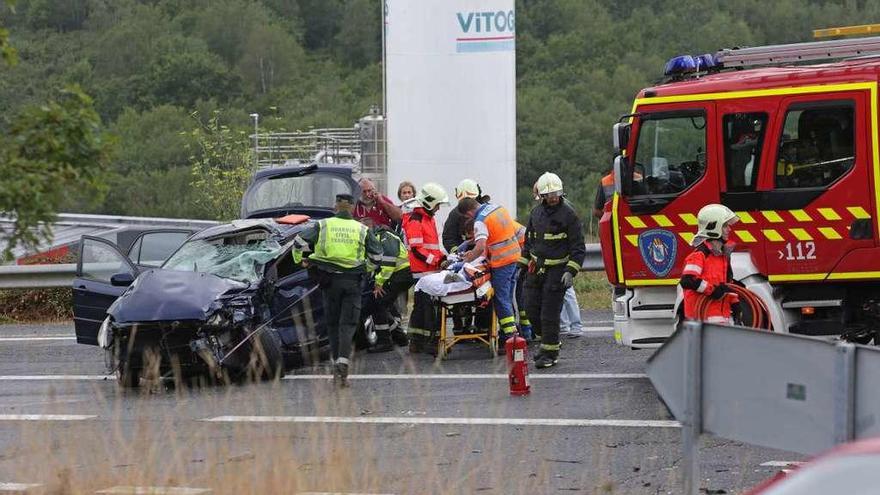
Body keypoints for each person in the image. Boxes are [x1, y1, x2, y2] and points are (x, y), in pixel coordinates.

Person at [292, 194, 383, 386]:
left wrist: (300, 260)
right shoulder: (362, 229)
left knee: (333, 324)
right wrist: (365, 269)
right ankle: (342, 365)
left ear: (335, 207)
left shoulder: (323, 225)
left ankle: (336, 364)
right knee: (347, 325)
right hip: (352, 282)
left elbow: (298, 242)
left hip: (329, 282)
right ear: (352, 209)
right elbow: (377, 256)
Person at [522, 172, 586, 369]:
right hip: (536, 268)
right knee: (531, 309)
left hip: (557, 271)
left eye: (556, 193)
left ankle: (550, 353)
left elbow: (578, 247)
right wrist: (521, 265)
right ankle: (549, 342)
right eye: (549, 194)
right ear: (541, 196)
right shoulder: (535, 213)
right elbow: (528, 242)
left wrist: (570, 271)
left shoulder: (568, 214)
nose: (553, 197)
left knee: (549, 314)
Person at [456, 196, 522, 348]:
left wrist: (466, 261)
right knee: (507, 298)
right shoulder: (497, 208)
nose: (470, 219)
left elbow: (479, 247)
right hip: (514, 257)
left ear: (469, 211)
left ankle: (509, 339)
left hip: (502, 262)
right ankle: (514, 333)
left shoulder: (480, 220)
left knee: (501, 300)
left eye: (468, 216)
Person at [402, 182, 449, 353]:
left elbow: (431, 247)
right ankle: (430, 342)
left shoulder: (427, 218)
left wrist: (442, 258)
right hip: (422, 271)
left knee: (423, 307)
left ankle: (417, 341)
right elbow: (417, 249)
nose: (438, 209)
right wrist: (438, 261)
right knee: (427, 307)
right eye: (437, 205)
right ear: (429, 202)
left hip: (428, 270)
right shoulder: (416, 219)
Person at [679, 204, 741, 324]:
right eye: (725, 225)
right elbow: (688, 280)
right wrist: (712, 290)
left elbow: (727, 286)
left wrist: (735, 303)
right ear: (713, 227)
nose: (729, 229)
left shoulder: (723, 257)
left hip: (721, 320)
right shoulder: (699, 255)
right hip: (701, 321)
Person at [364, 219, 413, 352]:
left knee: (378, 303)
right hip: (398, 274)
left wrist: (379, 282)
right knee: (385, 303)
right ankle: (399, 337)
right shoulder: (378, 237)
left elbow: (388, 261)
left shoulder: (385, 236)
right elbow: (373, 262)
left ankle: (385, 341)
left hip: (401, 274)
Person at [443, 179, 486, 252]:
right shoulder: (455, 214)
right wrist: (458, 252)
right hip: (468, 255)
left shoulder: (486, 212)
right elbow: (449, 239)